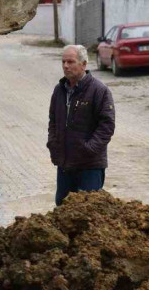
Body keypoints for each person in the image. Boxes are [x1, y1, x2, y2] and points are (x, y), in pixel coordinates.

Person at [47, 45, 115, 206]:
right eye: (63, 62)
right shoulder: (59, 90)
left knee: (87, 213)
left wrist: (89, 149)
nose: (65, 66)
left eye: (70, 61)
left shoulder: (99, 91)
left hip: (89, 166)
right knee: (62, 209)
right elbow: (53, 121)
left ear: (84, 64)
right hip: (65, 164)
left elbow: (107, 126)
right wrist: (53, 144)